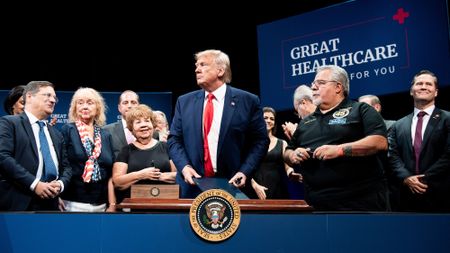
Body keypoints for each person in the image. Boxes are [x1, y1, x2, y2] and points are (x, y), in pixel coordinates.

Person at [284, 65, 389, 211]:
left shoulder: (360, 110)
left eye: (320, 83)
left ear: (338, 87)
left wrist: (340, 150)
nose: (313, 88)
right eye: (313, 84)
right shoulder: (306, 122)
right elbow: (288, 152)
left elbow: (379, 142)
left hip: (360, 202)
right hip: (316, 204)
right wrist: (294, 155)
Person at [168, 49, 269, 198]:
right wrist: (184, 167)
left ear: (220, 71)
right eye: (196, 65)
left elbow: (260, 141)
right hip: (192, 186)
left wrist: (245, 171)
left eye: (203, 65)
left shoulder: (248, 101)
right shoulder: (184, 102)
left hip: (233, 185)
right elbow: (174, 139)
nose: (197, 69)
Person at [0, 81, 72, 211]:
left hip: (51, 203)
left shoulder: (56, 134)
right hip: (19, 202)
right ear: (29, 97)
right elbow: (3, 156)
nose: (52, 100)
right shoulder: (9, 123)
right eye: (47, 95)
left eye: (54, 97)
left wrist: (60, 184)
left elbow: (66, 167)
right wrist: (35, 184)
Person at [388, 70, 450, 212]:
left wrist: (425, 178)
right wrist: (406, 177)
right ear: (411, 91)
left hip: (441, 192)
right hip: (406, 194)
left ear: (436, 92)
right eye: (419, 83)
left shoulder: (447, 119)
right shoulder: (398, 125)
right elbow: (392, 155)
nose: (423, 86)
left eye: (429, 84)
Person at [60, 87, 116, 212]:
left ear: (98, 108)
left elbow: (110, 172)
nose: (85, 107)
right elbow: (59, 165)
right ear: (75, 108)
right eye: (80, 103)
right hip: (72, 202)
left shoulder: (105, 135)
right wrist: (57, 196)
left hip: (102, 203)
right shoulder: (68, 130)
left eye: (90, 103)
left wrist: (112, 204)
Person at [113, 105, 176, 204]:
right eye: (138, 122)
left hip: (166, 205)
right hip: (135, 207)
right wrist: (141, 175)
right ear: (131, 128)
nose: (144, 125)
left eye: (147, 121)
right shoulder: (126, 151)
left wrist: (158, 176)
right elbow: (117, 182)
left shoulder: (166, 147)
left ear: (152, 124)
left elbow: (178, 176)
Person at [248, 107, 300, 200]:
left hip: (277, 189)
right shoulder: (249, 142)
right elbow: (243, 169)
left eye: (272, 119)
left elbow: (287, 165)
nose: (269, 121)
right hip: (254, 189)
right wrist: (254, 185)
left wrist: (291, 173)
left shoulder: (282, 143)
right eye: (265, 118)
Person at [104, 90, 140, 157]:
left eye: (133, 102)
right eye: (125, 103)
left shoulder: (151, 132)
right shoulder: (107, 131)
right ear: (119, 108)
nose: (129, 106)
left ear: (139, 106)